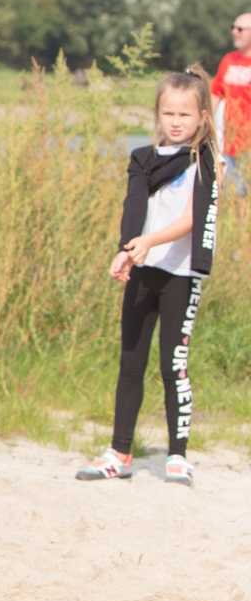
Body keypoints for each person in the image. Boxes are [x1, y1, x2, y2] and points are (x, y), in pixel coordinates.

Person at [79, 69, 219, 487]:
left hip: (180, 274)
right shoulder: (142, 158)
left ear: (202, 118)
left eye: (185, 114)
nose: (176, 121)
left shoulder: (205, 160)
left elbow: (193, 219)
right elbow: (133, 208)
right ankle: (119, 452)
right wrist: (127, 251)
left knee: (172, 364)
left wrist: (148, 241)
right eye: (168, 112)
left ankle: (178, 454)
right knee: (130, 362)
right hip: (143, 269)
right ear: (157, 114)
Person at [209, 12, 251, 185]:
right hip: (230, 142)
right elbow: (215, 93)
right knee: (231, 191)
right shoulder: (229, 60)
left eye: (240, 29)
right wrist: (205, 124)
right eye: (233, 28)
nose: (234, 32)